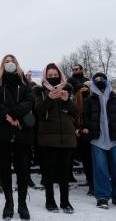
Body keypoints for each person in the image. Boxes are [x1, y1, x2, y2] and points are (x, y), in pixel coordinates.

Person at [0, 55, 34, 220]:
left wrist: (14, 115)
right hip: (3, 132)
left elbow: (29, 101)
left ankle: (22, 204)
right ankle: (9, 203)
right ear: (2, 65)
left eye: (11, 61)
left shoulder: (24, 83)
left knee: (22, 170)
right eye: (6, 61)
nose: (9, 63)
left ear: (16, 64)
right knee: (5, 170)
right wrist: (6, 115)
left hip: (21, 131)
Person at [83, 72, 116, 210]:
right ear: (93, 83)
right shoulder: (89, 100)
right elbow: (85, 117)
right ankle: (102, 197)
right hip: (98, 139)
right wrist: (87, 128)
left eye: (102, 79)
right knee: (100, 168)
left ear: (106, 81)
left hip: (115, 138)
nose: (100, 81)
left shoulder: (115, 98)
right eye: (96, 80)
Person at [34, 63, 78, 214]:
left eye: (55, 75)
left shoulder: (68, 89)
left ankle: (65, 201)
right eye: (50, 76)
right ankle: (50, 200)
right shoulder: (39, 91)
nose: (53, 78)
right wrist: (50, 99)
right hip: (47, 138)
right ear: (45, 77)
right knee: (49, 172)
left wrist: (67, 101)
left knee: (65, 172)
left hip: (67, 138)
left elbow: (76, 113)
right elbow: (38, 112)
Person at [74, 84, 94, 195]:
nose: (85, 92)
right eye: (82, 90)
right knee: (87, 162)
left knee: (93, 162)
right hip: (82, 137)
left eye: (87, 89)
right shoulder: (76, 105)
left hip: (93, 135)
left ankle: (93, 183)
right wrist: (77, 129)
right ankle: (90, 182)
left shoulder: (93, 103)